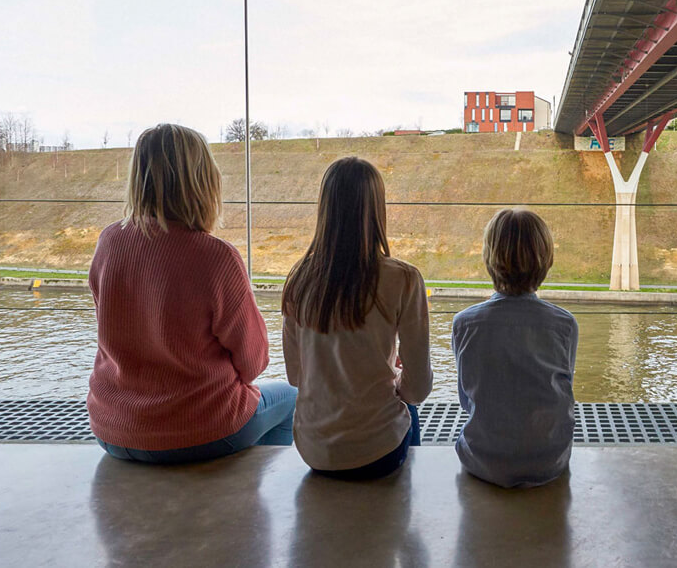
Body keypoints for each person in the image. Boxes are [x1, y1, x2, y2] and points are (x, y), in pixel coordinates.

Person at [87, 123, 295, 464]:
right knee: (291, 397)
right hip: (201, 432)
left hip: (112, 430)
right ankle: (250, 490)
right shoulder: (216, 257)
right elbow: (253, 362)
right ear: (204, 180)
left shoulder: (109, 241)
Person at [282, 157, 432, 480]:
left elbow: (296, 376)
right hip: (378, 453)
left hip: (314, 451)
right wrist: (391, 380)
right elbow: (418, 388)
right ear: (377, 210)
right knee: (411, 411)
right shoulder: (403, 279)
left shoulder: (299, 281)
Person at [452, 208, 578, 488]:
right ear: (546, 259)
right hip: (550, 460)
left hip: (482, 460)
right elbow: (564, 389)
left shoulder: (465, 324)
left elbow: (466, 399)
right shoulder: (565, 325)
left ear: (489, 257)